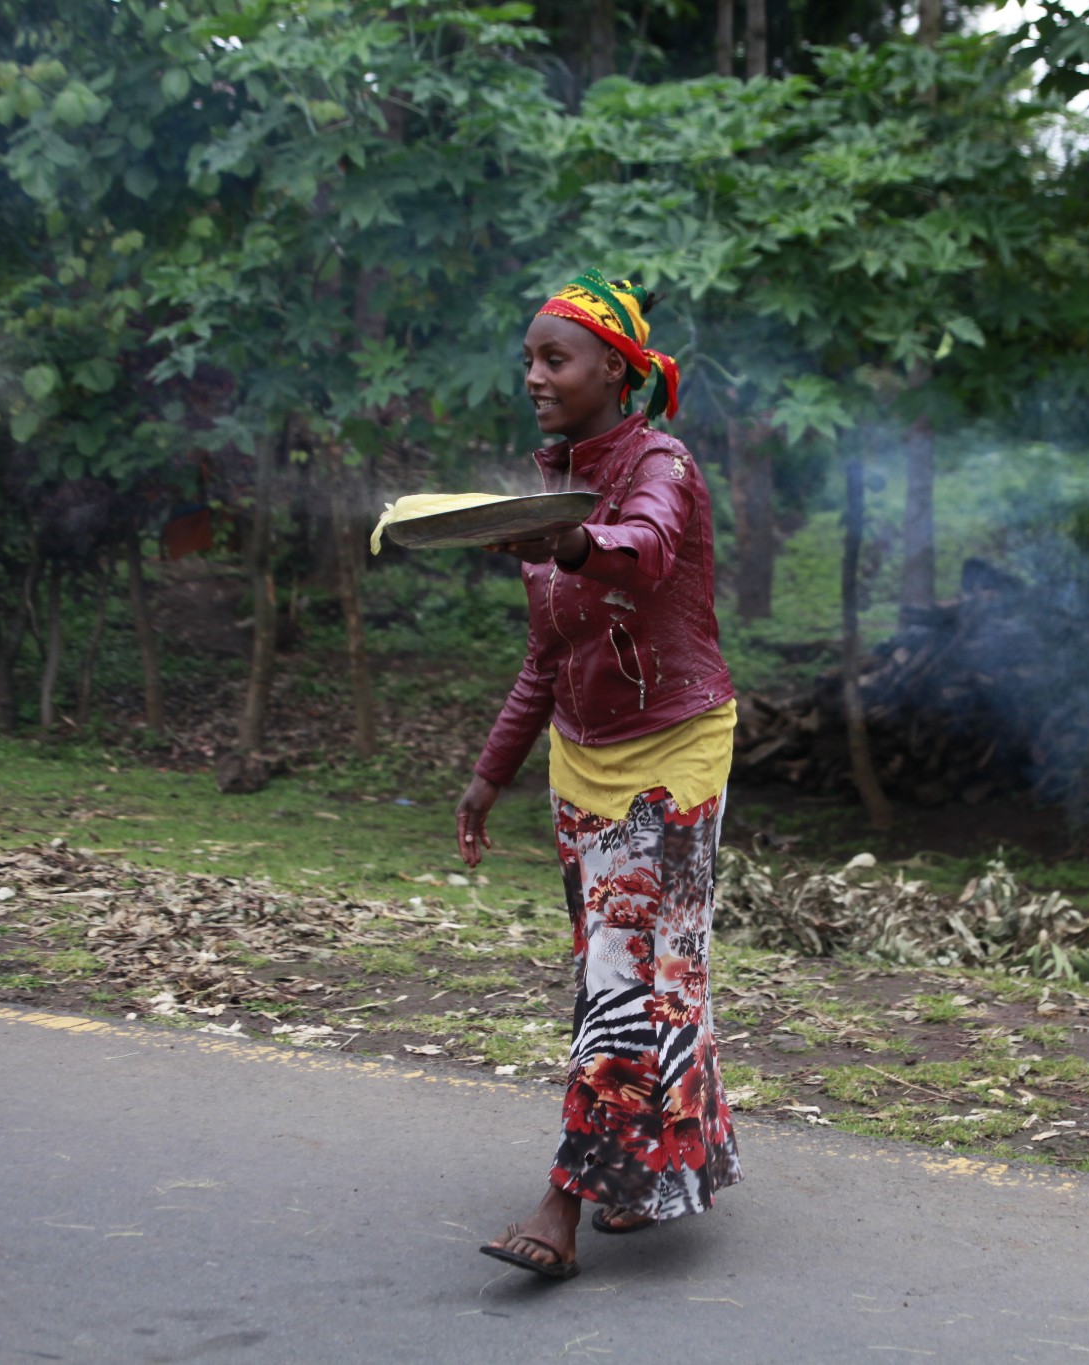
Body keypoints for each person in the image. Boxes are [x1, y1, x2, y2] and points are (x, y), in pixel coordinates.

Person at [459, 270, 741, 1281]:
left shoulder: (660, 466)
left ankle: (563, 1201)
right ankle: (656, 1169)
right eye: (528, 358)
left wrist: (575, 540)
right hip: (580, 761)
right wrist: (487, 777)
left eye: (554, 358)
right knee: (640, 974)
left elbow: (646, 554)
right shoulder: (550, 489)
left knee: (623, 981)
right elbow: (547, 657)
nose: (532, 375)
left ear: (614, 374)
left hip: (672, 752)